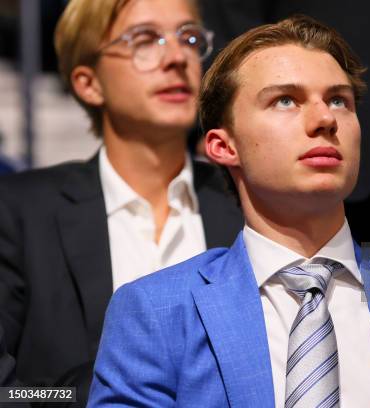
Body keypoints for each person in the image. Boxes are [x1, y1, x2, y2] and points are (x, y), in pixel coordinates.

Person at [88, 16, 370, 407]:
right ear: (224, 146)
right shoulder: (155, 311)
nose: (324, 119)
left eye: (339, 101)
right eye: (285, 101)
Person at [0, 0, 242, 395]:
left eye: (190, 37)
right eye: (145, 40)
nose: (177, 57)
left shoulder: (250, 200)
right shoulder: (18, 212)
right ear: (88, 83)